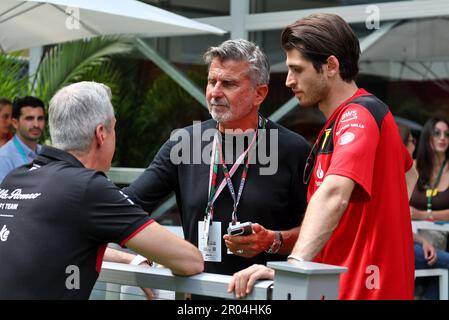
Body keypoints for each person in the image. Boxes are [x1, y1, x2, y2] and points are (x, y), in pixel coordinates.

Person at [229, 13, 418, 300]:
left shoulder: (359, 115)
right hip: (342, 287)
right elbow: (409, 172)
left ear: (331, 66)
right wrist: (277, 242)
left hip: (364, 292)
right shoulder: (350, 120)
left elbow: (333, 195)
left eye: (297, 69)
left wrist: (293, 269)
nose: (289, 80)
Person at [123, 39, 310, 281]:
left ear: (259, 93)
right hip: (195, 295)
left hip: (262, 296)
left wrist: (271, 241)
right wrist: (156, 254)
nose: (215, 92)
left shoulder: (292, 149)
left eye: (228, 83)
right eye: (212, 81)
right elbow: (128, 206)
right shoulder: (185, 143)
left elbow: (316, 233)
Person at [0, 81, 203, 299]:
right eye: (114, 127)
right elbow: (190, 261)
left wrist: (129, 258)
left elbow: (64, 244)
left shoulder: (16, 177)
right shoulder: (87, 187)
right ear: (101, 134)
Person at [408, 117, 449, 299]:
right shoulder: (413, 166)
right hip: (411, 237)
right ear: (427, 137)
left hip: (440, 239)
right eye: (437, 133)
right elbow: (401, 203)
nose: (443, 138)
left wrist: (423, 214)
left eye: (447, 134)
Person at [0, 96, 45, 182]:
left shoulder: (45, 153)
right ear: (15, 123)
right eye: (29, 118)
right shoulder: (4, 158)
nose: (36, 124)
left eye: (40, 118)